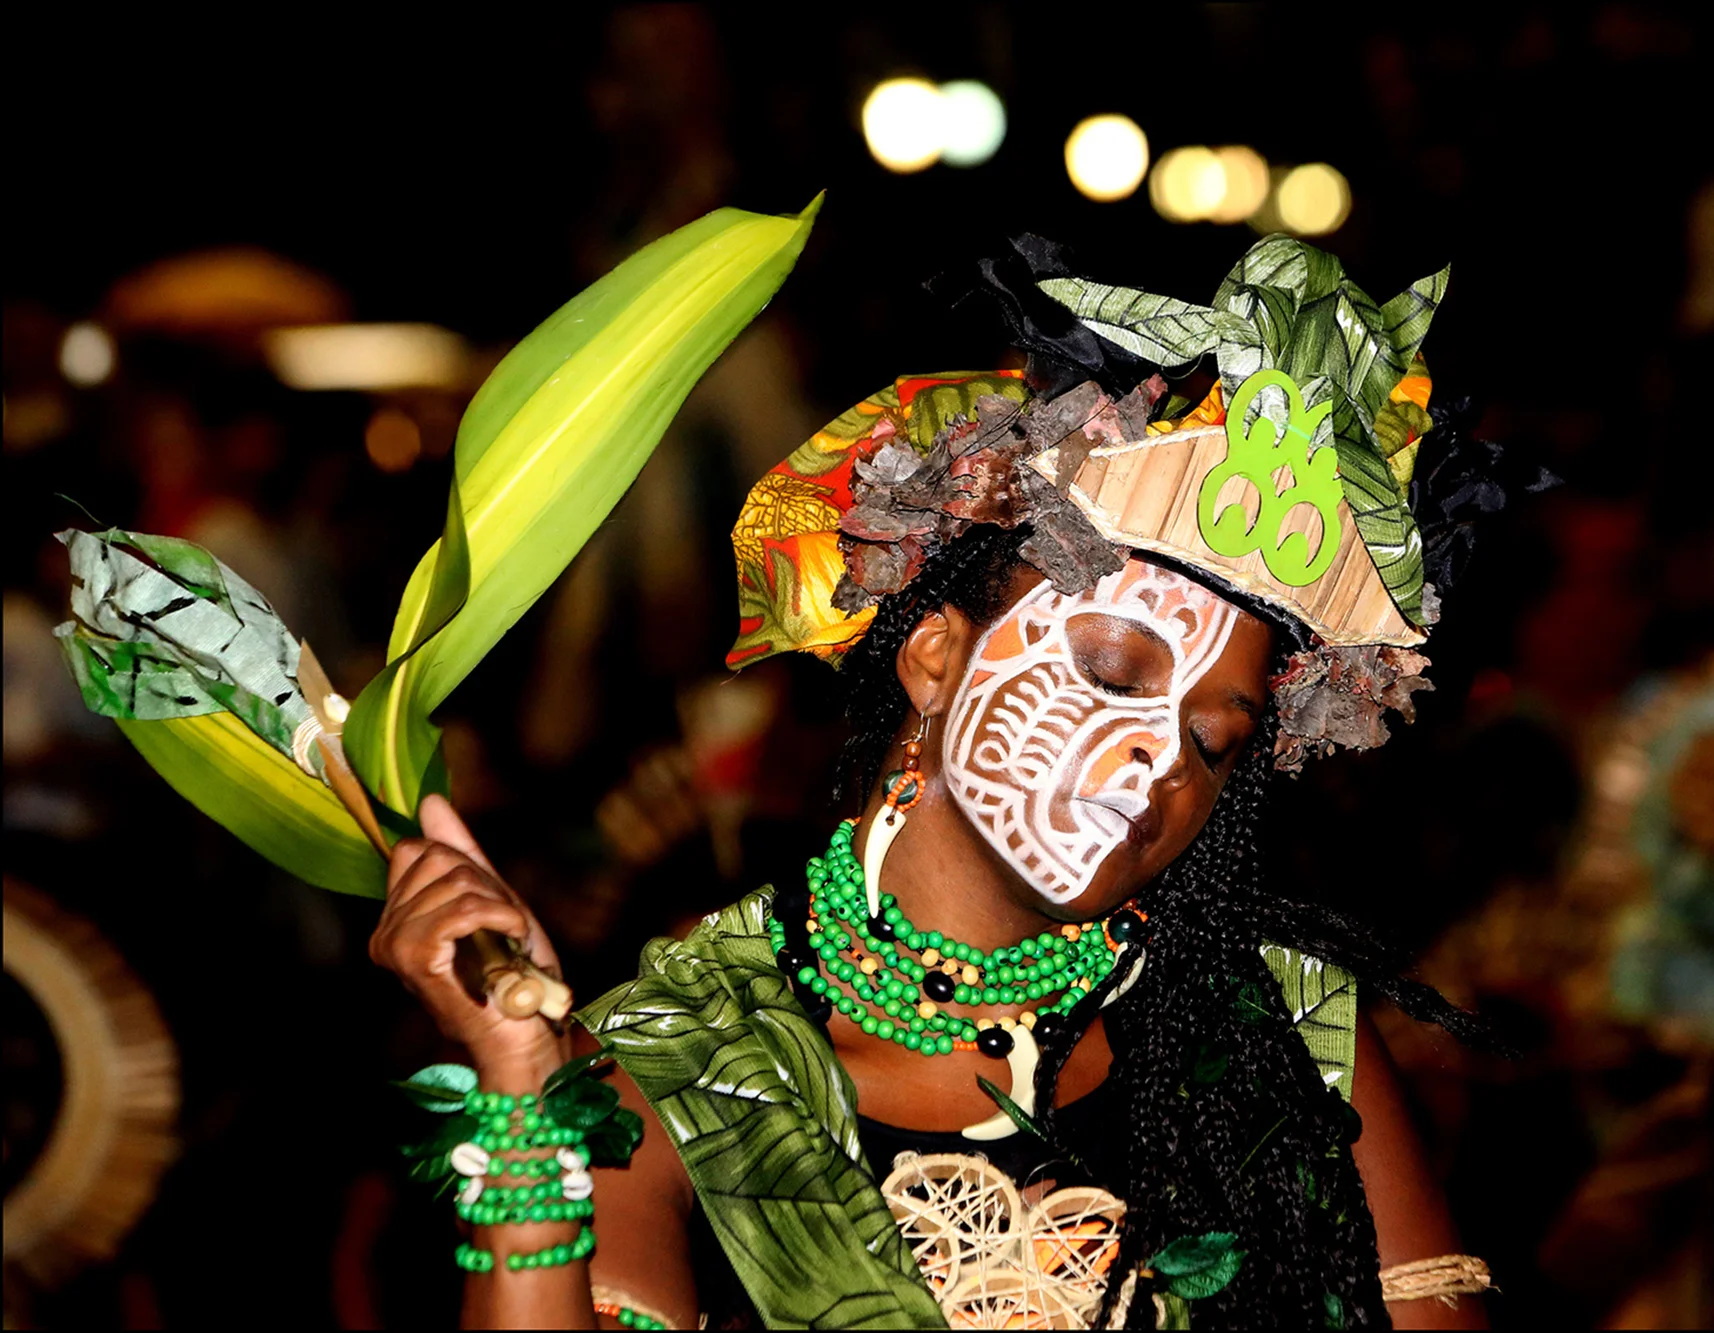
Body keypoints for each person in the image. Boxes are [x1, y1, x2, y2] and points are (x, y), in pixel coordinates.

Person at [371, 235, 1523, 1329]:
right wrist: (524, 1098)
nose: (1160, 760)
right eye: (1111, 671)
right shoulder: (691, 1062)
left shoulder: (1289, 1028)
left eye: (1214, 740)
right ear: (935, 658)